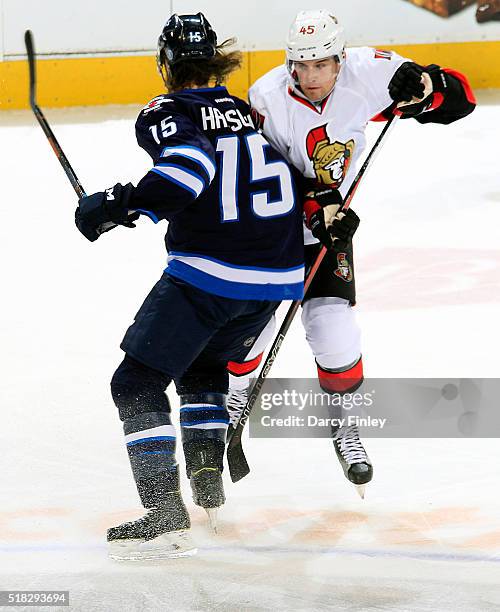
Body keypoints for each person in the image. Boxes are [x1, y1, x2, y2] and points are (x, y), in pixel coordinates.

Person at [74, 12, 309, 560]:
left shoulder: (166, 111)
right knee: (203, 369)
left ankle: (163, 509)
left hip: (212, 275)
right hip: (274, 278)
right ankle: (207, 485)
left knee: (135, 383)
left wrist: (116, 205)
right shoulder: (249, 112)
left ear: (166, 65)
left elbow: (186, 171)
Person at [226, 9, 476, 498]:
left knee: (334, 333)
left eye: (321, 64)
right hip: (273, 230)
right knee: (251, 333)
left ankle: (345, 423)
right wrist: (314, 204)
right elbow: (263, 174)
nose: (311, 76)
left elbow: (460, 101)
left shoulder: (371, 72)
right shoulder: (266, 97)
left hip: (330, 231)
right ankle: (232, 410)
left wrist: (428, 85)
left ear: (340, 59)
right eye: (301, 65)